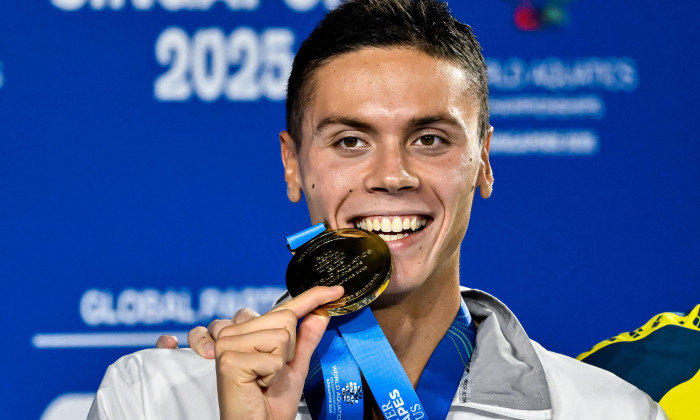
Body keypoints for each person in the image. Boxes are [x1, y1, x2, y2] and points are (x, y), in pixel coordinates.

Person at [88, 0, 667, 419]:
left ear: (484, 161)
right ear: (293, 164)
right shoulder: (153, 399)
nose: (392, 175)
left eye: (430, 140)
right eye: (350, 141)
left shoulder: (610, 411)